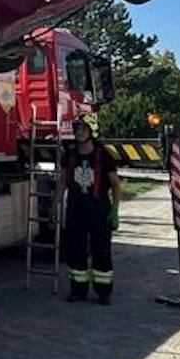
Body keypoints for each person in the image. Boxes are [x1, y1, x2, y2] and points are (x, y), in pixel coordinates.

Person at [60, 115, 121, 303]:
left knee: (101, 249)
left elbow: (116, 184)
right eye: (77, 129)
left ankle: (104, 292)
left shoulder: (103, 155)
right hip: (76, 209)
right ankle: (78, 290)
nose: (79, 133)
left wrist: (115, 211)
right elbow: (62, 180)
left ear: (91, 131)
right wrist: (57, 205)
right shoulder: (70, 154)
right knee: (75, 250)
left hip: (99, 210)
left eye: (83, 129)